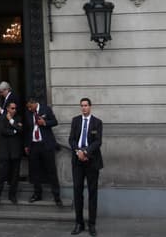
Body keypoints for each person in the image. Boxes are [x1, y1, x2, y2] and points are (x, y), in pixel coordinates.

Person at [68, 99, 102, 236]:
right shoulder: (75, 121)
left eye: (86, 106)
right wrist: (78, 151)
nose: (84, 108)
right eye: (82, 106)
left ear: (90, 107)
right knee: (77, 192)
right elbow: (71, 139)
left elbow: (98, 141)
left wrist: (86, 152)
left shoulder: (97, 122)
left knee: (92, 193)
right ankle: (79, 223)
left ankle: (92, 224)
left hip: (92, 161)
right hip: (78, 161)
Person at [23, 94, 61, 206]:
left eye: (30, 107)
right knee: (35, 171)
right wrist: (26, 145)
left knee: (51, 170)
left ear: (35, 103)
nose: (29, 109)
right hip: (34, 145)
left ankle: (57, 195)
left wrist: (44, 123)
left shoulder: (46, 109)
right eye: (28, 108)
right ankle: (37, 194)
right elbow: (27, 130)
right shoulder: (28, 113)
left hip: (46, 144)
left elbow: (55, 122)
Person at [0, 101, 23, 204]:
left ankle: (12, 195)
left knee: (15, 175)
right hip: (4, 151)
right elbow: (3, 131)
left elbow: (20, 129)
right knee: (1, 174)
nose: (14, 110)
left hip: (15, 151)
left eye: (15, 108)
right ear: (8, 109)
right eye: (12, 108)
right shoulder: (2, 118)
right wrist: (14, 130)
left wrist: (11, 121)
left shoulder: (18, 118)